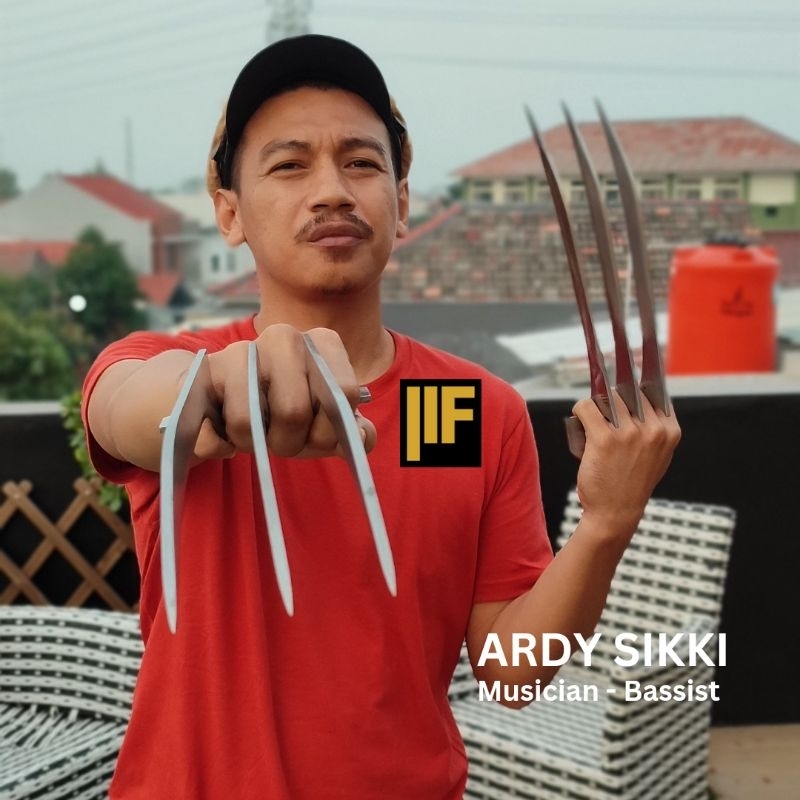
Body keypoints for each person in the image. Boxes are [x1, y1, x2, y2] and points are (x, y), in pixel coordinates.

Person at [83, 34, 680, 800]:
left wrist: (605, 524)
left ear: (400, 204)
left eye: (362, 163)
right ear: (229, 213)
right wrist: (221, 389)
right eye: (289, 165)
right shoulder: (172, 370)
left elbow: (510, 674)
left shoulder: (456, 410)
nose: (332, 191)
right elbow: (126, 409)